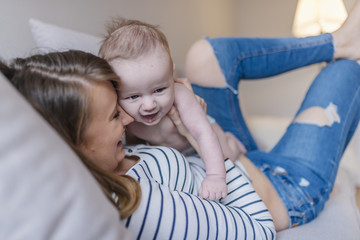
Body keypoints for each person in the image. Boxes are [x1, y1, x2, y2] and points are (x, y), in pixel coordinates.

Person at [1, 2, 360, 238]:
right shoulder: (137, 203)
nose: (128, 119)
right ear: (75, 140)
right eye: (117, 112)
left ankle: (337, 40)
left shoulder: (116, 151)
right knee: (346, 73)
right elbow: (258, 230)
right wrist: (209, 151)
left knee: (208, 54)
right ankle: (345, 50)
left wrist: (189, 129)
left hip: (237, 157)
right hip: (285, 190)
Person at [99, 18, 246, 200]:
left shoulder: (180, 96)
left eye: (159, 90)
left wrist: (215, 177)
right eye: (134, 96)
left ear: (172, 75)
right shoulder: (125, 116)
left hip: (203, 137)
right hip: (179, 152)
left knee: (229, 157)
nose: (149, 105)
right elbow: (135, 144)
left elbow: (202, 133)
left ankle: (233, 141)